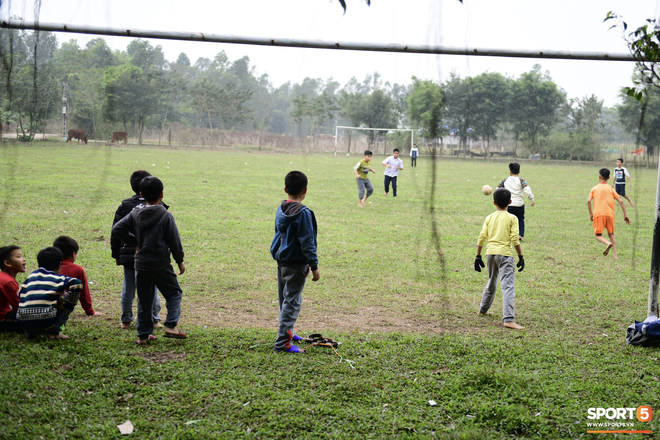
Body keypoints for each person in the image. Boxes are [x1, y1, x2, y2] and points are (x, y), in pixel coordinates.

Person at [112, 176, 187, 344]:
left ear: (141, 194)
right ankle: (171, 325)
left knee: (144, 300)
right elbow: (174, 241)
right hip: (160, 263)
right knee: (174, 293)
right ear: (162, 193)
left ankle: (143, 336)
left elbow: (118, 229)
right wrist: (179, 260)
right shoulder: (166, 215)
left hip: (141, 264)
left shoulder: (134, 213)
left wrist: (135, 242)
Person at [270, 171, 320, 354]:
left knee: (286, 299)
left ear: (285, 189)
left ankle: (288, 332)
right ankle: (283, 342)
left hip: (282, 262)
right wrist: (314, 266)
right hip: (296, 263)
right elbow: (308, 242)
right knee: (291, 302)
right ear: (305, 190)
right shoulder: (304, 213)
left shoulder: (281, 208)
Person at [111, 170, 163, 330]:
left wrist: (116, 254)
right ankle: (155, 319)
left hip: (128, 255)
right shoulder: (158, 206)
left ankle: (126, 320)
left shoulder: (125, 206)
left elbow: (115, 232)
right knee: (152, 286)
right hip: (150, 256)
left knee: (128, 286)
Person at [474, 188, 525, 330]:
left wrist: (478, 256)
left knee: (492, 281)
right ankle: (508, 319)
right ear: (510, 201)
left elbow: (482, 237)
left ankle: (483, 310)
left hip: (490, 254)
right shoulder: (512, 218)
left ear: (494, 202)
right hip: (505, 255)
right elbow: (515, 238)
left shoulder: (489, 217)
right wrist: (520, 256)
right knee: (508, 286)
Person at [17, 247, 82, 340]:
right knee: (64, 301)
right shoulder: (59, 279)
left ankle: (30, 335)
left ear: (39, 265)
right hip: (48, 323)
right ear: (60, 264)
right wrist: (67, 305)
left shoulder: (30, 278)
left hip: (24, 324)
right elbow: (77, 283)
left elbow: (20, 293)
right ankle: (54, 333)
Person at [53, 236, 103, 318]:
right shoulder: (77, 270)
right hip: (61, 307)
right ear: (73, 254)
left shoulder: (48, 265)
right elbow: (84, 294)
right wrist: (89, 311)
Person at [587, 168, 631, 259]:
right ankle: (615, 256)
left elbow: (588, 201)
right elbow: (621, 201)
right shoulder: (611, 189)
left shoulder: (594, 188)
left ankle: (607, 243)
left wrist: (591, 214)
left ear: (599, 177)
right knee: (611, 234)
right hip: (610, 215)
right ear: (609, 178)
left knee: (597, 235)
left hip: (599, 214)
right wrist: (625, 215)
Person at [497, 163, 534, 240]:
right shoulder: (521, 180)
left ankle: (507, 235)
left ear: (510, 172)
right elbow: (527, 189)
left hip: (508, 204)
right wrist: (531, 198)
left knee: (508, 220)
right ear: (519, 172)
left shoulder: (505, 180)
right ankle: (519, 235)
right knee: (520, 219)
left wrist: (497, 199)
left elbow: (498, 189)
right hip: (519, 204)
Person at [0, 245, 26, 333]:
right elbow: (20, 307)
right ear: (7, 263)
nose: (24, 259)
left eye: (22, 256)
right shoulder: (8, 282)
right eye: (19, 257)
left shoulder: (2, 277)